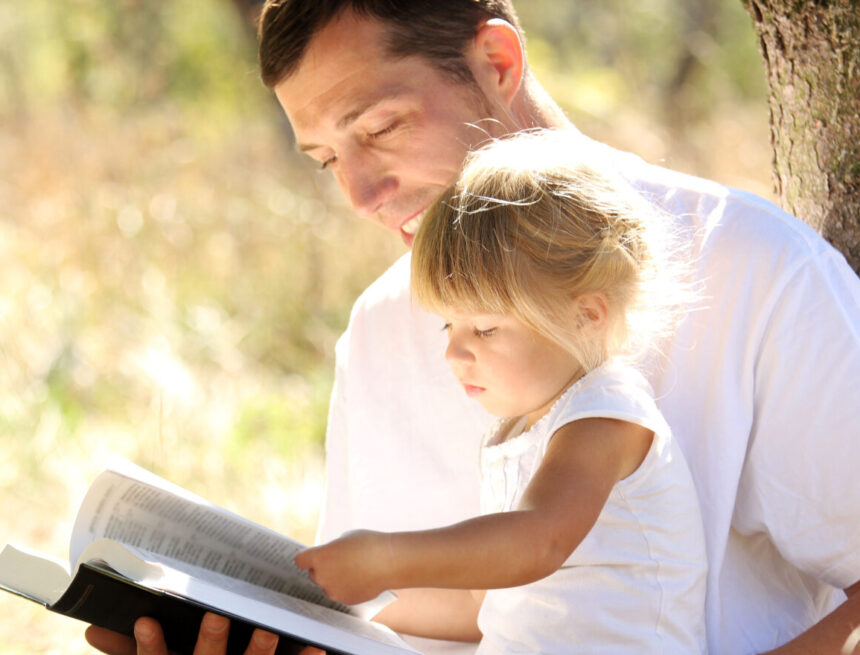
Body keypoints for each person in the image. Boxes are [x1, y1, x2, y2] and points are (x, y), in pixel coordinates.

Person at [86, 1, 860, 654]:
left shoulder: (756, 268)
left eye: (381, 127)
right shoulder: (384, 326)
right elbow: (424, 621)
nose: (358, 193)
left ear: (496, 59)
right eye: (326, 159)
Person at [294, 129, 709, 654]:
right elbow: (480, 609)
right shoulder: (520, 430)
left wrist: (387, 558)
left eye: (484, 330)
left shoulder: (605, 416)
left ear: (586, 315)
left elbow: (541, 540)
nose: (453, 354)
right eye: (449, 328)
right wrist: (334, 606)